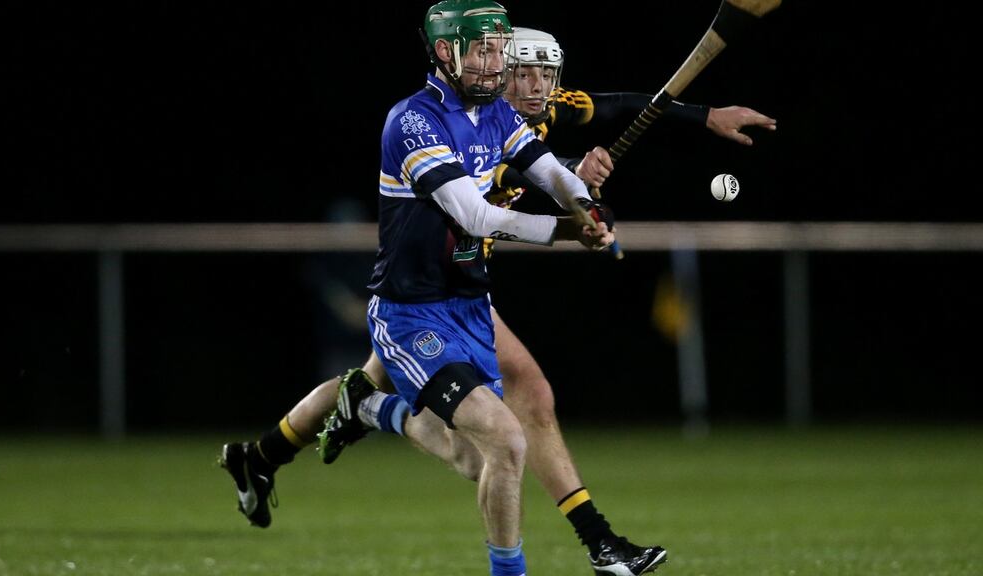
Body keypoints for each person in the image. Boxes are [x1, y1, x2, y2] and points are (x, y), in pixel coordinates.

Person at [220, 23, 774, 576]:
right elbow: (481, 204)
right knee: (496, 419)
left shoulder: (531, 112)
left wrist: (702, 119)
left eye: (544, 76)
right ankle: (598, 542)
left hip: (463, 289)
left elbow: (621, 106)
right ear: (488, 70)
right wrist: (571, 205)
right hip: (418, 292)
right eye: (520, 73)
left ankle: (259, 457)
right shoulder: (455, 124)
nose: (536, 88)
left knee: (453, 427)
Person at [223, 3, 618, 575]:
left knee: (473, 457)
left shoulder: (494, 115)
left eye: (499, 49)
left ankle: (356, 415)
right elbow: (476, 216)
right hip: (412, 312)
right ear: (445, 52)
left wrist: (581, 199)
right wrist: (564, 230)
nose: (497, 63)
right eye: (483, 51)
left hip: (468, 304)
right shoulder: (413, 121)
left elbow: (544, 167)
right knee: (507, 441)